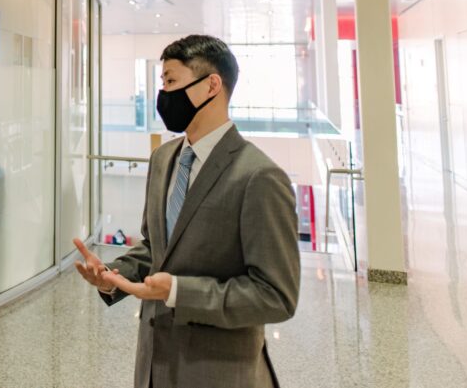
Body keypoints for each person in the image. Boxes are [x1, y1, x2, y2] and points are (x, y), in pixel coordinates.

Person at [74, 35, 299, 388]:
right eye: (161, 83)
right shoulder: (163, 159)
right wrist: (115, 274)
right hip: (154, 365)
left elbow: (276, 296)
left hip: (219, 372)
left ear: (212, 85)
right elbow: (157, 247)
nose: (163, 95)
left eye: (171, 82)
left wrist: (179, 291)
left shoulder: (259, 177)